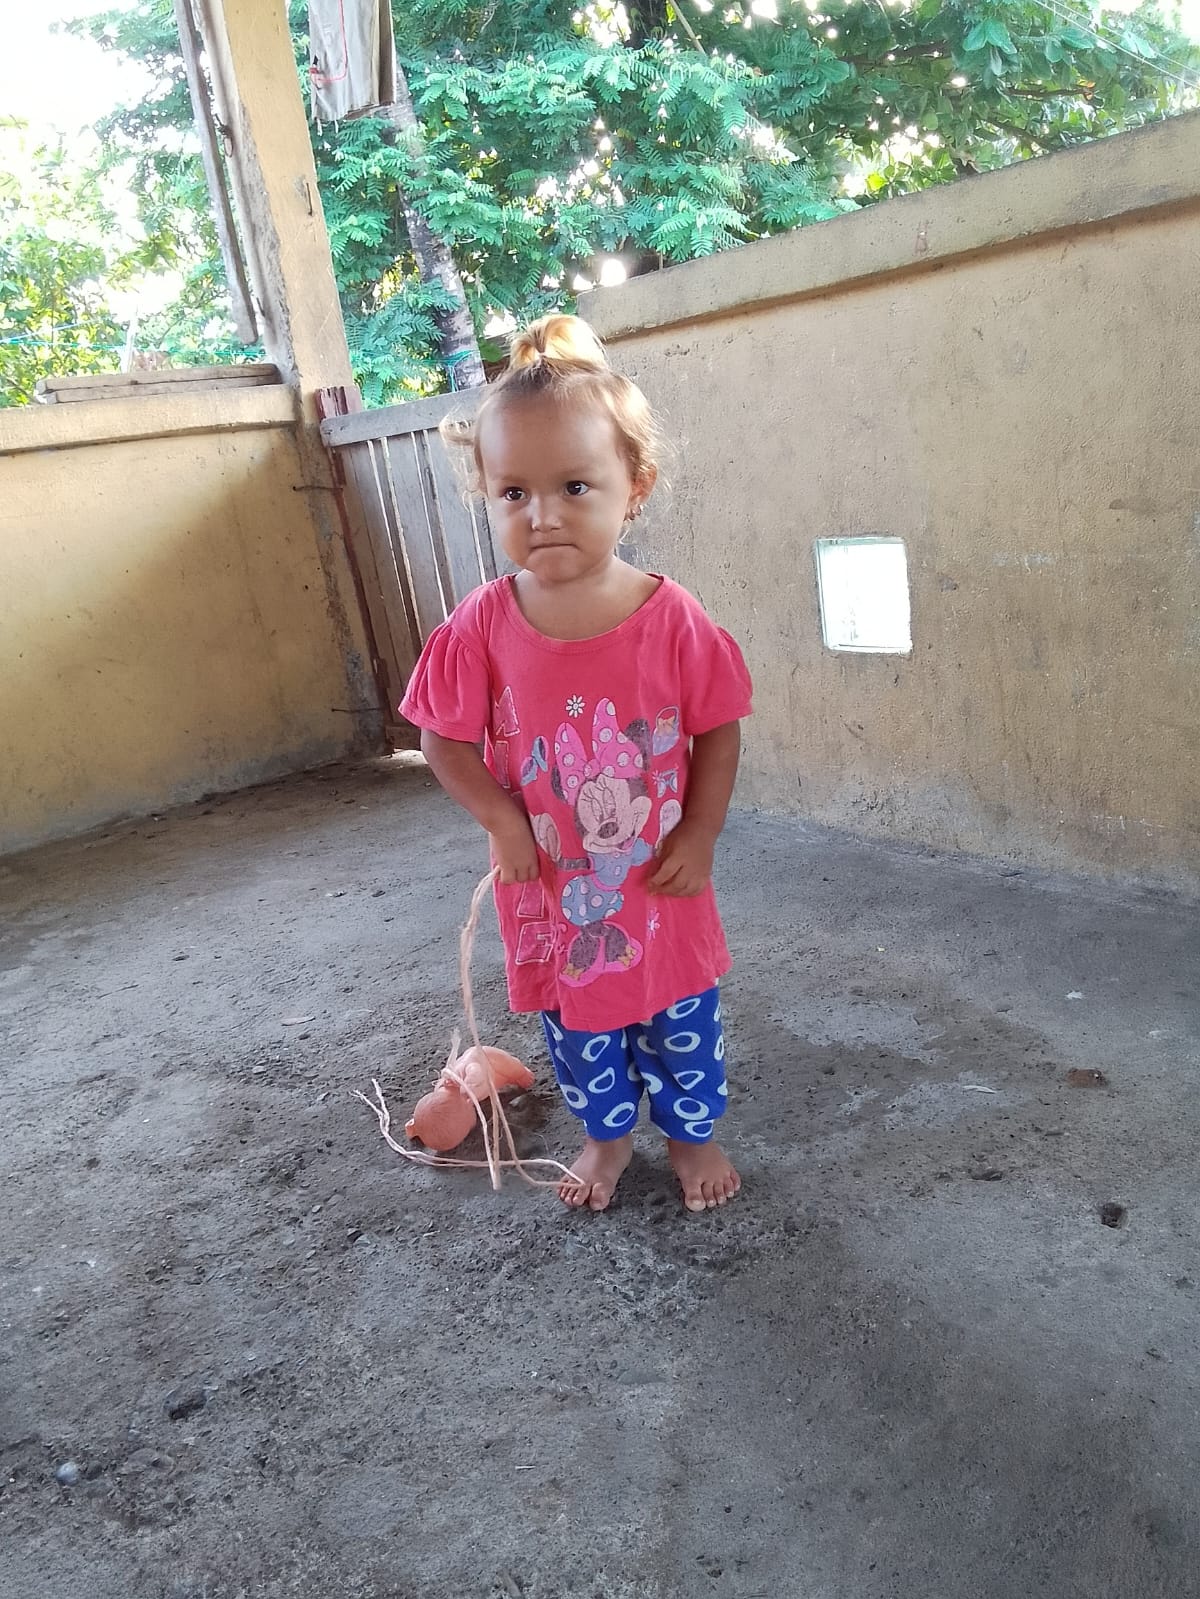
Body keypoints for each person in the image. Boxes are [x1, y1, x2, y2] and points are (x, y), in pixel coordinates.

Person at [400, 314, 752, 1214]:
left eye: (574, 486)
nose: (543, 514)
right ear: (486, 492)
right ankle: (607, 1137)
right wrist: (503, 820)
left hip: (660, 879)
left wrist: (702, 831)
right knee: (577, 1026)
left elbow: (717, 727)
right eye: (514, 491)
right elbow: (441, 738)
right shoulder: (482, 623)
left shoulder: (671, 617)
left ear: (635, 488)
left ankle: (693, 1133)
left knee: (681, 1016)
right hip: (555, 885)